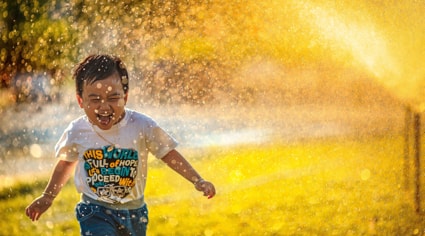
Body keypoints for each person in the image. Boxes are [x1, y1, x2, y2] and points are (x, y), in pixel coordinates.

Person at [25, 54, 216, 236]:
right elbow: (66, 163)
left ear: (125, 96)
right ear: (80, 100)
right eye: (95, 99)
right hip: (94, 210)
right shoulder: (78, 130)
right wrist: (48, 196)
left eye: (113, 98)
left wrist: (197, 180)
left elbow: (168, 153)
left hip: (135, 212)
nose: (104, 107)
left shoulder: (141, 125)